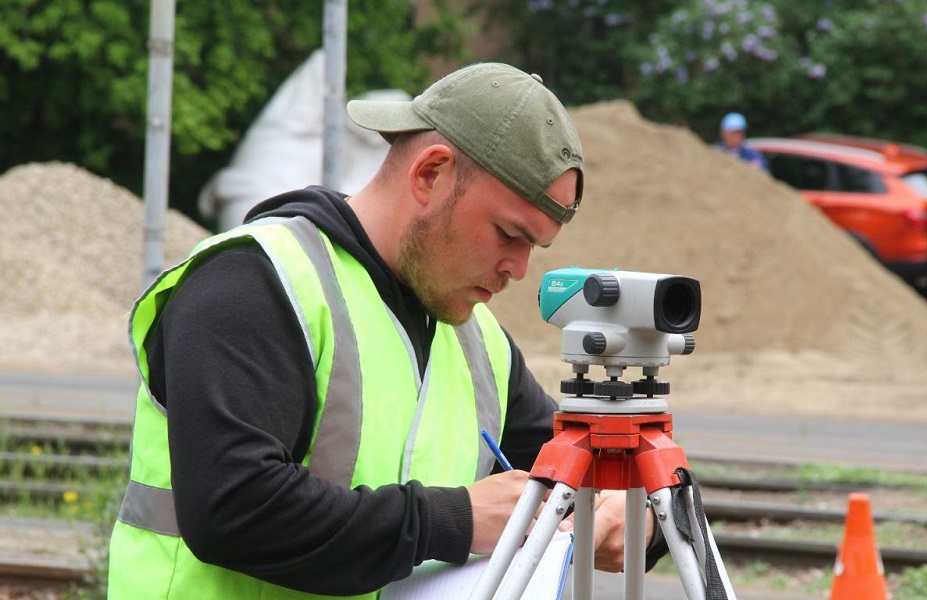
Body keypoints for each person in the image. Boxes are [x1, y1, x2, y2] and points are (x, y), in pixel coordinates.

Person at [107, 62, 667, 599]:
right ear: (430, 173)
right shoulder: (253, 283)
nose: (519, 270)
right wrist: (457, 521)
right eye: (507, 234)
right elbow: (236, 510)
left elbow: (589, 469)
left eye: (534, 248)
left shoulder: (476, 342)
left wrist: (636, 518)